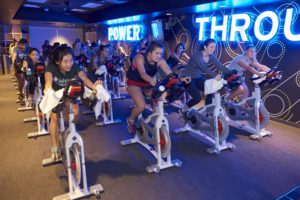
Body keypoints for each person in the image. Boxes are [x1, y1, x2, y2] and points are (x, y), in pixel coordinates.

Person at [44, 46, 100, 160]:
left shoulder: (74, 66)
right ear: (57, 61)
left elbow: (83, 77)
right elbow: (48, 80)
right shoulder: (51, 67)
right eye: (65, 62)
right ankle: (54, 145)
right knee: (55, 117)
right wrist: (48, 89)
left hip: (69, 91)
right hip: (55, 93)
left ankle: (71, 131)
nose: (69, 64)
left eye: (70, 61)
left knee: (75, 112)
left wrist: (94, 86)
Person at [126, 40, 189, 133]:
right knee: (141, 106)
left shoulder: (160, 61)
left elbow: (170, 73)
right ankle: (130, 120)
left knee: (158, 100)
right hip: (134, 82)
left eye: (161, 53)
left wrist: (181, 79)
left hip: (147, 83)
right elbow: (143, 74)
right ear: (150, 52)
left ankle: (155, 120)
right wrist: (151, 79)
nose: (159, 56)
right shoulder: (139, 58)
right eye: (157, 53)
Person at [180, 38, 230, 115]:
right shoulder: (197, 55)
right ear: (205, 47)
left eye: (214, 47)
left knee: (211, 91)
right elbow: (205, 69)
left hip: (197, 77)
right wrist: (216, 75)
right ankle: (184, 109)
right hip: (187, 78)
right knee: (197, 98)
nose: (213, 49)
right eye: (211, 46)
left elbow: (221, 66)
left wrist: (232, 72)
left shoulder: (211, 57)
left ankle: (208, 112)